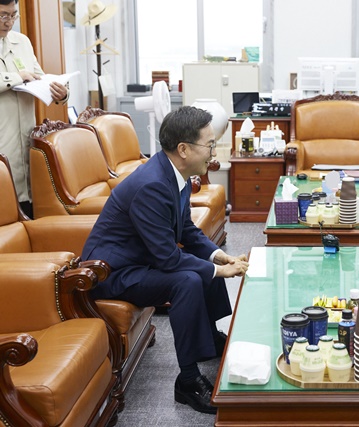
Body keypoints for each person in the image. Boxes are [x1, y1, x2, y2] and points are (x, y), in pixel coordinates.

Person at [82, 106, 249, 414]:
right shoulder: (152, 184)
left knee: (203, 266)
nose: (213, 151)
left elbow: (185, 229)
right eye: (210, 145)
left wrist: (217, 255)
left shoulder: (178, 174)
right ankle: (187, 382)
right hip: (112, 273)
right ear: (183, 149)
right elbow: (168, 260)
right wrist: (219, 270)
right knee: (188, 279)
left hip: (140, 259)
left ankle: (210, 340)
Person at [0, 0, 68, 218]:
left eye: (13, 15)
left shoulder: (22, 42)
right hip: (3, 135)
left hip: (25, 136)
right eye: (3, 15)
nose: (8, 22)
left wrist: (60, 92)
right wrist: (15, 77)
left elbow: (40, 76)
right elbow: (21, 76)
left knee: (26, 204)